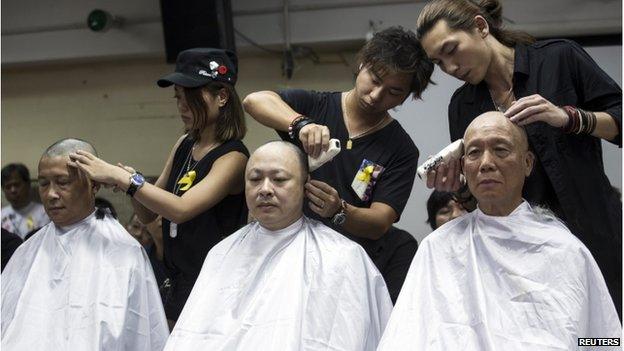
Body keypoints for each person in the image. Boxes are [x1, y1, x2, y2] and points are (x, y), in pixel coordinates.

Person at [416, 0, 622, 315]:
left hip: (596, 234)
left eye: (452, 50)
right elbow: (482, 201)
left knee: (603, 338)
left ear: (481, 27)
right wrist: (458, 187)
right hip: (523, 257)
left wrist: (568, 118)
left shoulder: (559, 59)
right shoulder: (463, 107)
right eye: (439, 62)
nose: (451, 68)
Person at [377, 112, 620, 350]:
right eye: (474, 153)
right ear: (463, 166)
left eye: (501, 150)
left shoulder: (564, 250)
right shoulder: (438, 247)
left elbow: (604, 340)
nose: (485, 164)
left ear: (527, 163)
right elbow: (403, 336)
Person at [244, 26, 433, 298]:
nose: (376, 95)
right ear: (362, 64)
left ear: (408, 95)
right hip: (288, 258)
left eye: (394, 91)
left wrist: (339, 210)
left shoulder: (400, 149)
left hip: (345, 271)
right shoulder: (316, 106)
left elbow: (380, 221)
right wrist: (299, 124)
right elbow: (254, 101)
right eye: (375, 79)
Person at [69, 48, 249, 327]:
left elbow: (180, 209)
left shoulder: (233, 157)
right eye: (177, 98)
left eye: (190, 97)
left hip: (217, 285)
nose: (181, 107)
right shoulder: (185, 144)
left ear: (222, 96)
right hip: (178, 280)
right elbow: (150, 214)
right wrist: (132, 182)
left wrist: (125, 179)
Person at [164, 141, 392, 351]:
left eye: (279, 179)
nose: (265, 189)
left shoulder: (342, 257)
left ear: (306, 186)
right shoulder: (222, 253)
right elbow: (192, 335)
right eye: (254, 179)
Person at [1, 138, 168, 350]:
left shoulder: (124, 251)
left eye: (63, 182)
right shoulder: (27, 251)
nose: (51, 194)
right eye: (44, 184)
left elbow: (143, 334)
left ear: (94, 184)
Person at [1, 163, 50, 239]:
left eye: (16, 185)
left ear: (28, 184)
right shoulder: (1, 215)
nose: (13, 190)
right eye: (8, 187)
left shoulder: (45, 213)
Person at [126, 213, 168, 287]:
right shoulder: (137, 259)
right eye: (135, 226)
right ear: (126, 227)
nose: (139, 234)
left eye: (147, 233)